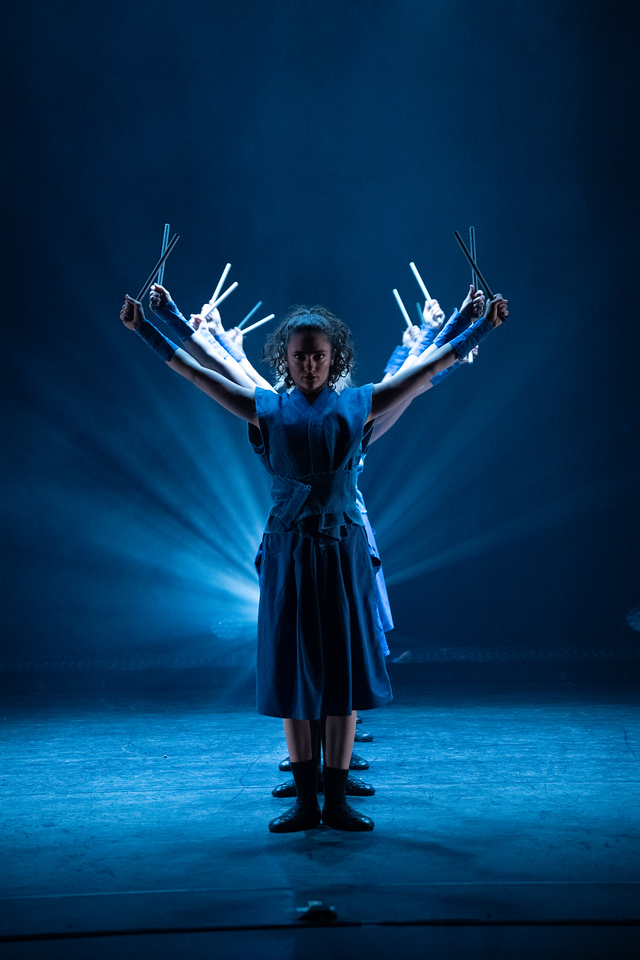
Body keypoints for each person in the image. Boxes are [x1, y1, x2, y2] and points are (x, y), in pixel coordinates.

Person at [119, 290, 508, 833]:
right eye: (299, 356)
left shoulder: (359, 402)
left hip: (342, 553)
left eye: (318, 356)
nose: (308, 364)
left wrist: (480, 327)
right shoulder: (265, 405)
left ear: (334, 360)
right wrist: (145, 329)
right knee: (294, 671)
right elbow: (195, 371)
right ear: (285, 360)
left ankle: (336, 799)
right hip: (290, 552)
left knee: (342, 673)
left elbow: (430, 369)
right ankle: (306, 801)